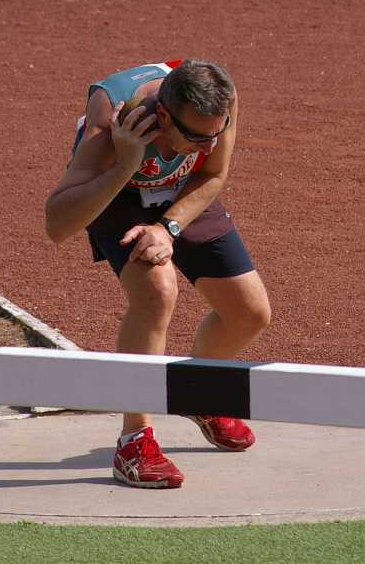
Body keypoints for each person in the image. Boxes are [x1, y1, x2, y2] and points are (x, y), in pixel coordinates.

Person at [45, 58, 271, 488]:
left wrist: (168, 227)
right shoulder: (111, 120)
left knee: (249, 312)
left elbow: (213, 171)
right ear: (163, 115)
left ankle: (199, 392)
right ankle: (133, 441)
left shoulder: (220, 100)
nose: (207, 144)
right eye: (194, 136)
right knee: (156, 291)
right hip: (117, 192)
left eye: (215, 134)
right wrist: (126, 164)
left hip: (182, 195)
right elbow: (57, 224)